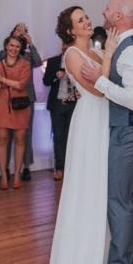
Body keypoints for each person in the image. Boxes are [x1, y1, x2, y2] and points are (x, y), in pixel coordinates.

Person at [80, 0, 133, 264]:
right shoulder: (123, 46)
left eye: (108, 8)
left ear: (120, 17)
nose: (103, 11)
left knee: (118, 199)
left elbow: (132, 100)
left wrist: (98, 80)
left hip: (130, 132)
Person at [46, 5, 111, 264]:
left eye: (86, 17)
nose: (87, 21)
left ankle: (103, 262)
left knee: (102, 187)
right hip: (89, 120)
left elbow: (108, 81)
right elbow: (97, 89)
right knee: (87, 187)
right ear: (70, 30)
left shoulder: (97, 52)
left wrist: (107, 57)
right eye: (80, 20)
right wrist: (110, 59)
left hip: (105, 118)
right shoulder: (72, 54)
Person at [0, 35, 32, 190]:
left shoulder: (25, 64)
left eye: (17, 47)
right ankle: (4, 176)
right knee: (1, 139)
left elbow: (20, 85)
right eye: (11, 45)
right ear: (6, 46)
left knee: (20, 140)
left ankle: (17, 174)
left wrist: (2, 79)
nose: (14, 49)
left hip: (19, 106)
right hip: (1, 104)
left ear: (20, 49)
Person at [0, 23, 42, 182]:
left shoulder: (28, 54)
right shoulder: (4, 52)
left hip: (26, 98)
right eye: (18, 29)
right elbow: (2, 60)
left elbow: (38, 62)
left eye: (24, 30)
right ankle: (6, 167)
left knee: (26, 134)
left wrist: (30, 44)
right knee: (7, 135)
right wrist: (15, 39)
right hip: (8, 98)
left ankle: (26, 167)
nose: (21, 31)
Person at [43, 44, 78, 181]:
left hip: (75, 103)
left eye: (69, 44)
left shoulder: (79, 60)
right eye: (64, 44)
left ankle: (71, 169)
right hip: (57, 103)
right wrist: (55, 76)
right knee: (58, 137)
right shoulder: (53, 61)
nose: (66, 47)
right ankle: (59, 168)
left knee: (73, 137)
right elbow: (46, 81)